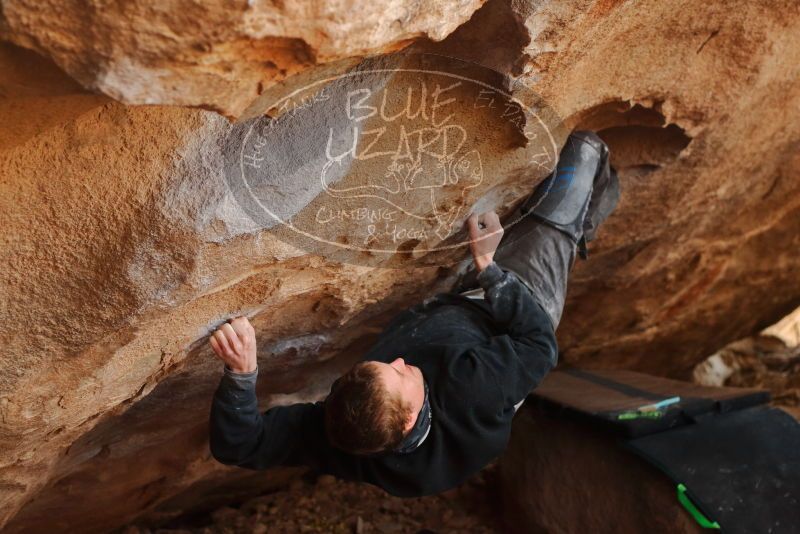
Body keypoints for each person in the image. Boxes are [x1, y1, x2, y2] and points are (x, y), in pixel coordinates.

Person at [208, 131, 620, 497]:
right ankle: (578, 230)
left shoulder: (342, 434)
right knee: (580, 154)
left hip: (452, 320)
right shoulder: (473, 387)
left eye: (385, 365)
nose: (401, 361)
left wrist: (241, 375)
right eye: (401, 374)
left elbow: (239, 445)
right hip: (520, 313)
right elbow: (539, 344)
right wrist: (489, 268)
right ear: (409, 419)